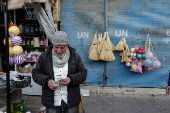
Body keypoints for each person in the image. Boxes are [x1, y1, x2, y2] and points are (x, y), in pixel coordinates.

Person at [32, 31, 87, 113]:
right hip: (51, 102)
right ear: (53, 45)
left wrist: (71, 79)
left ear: (67, 45)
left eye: (62, 48)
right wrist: (47, 81)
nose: (58, 51)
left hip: (71, 101)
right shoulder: (44, 57)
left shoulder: (75, 56)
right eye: (56, 47)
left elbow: (83, 73)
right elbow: (36, 74)